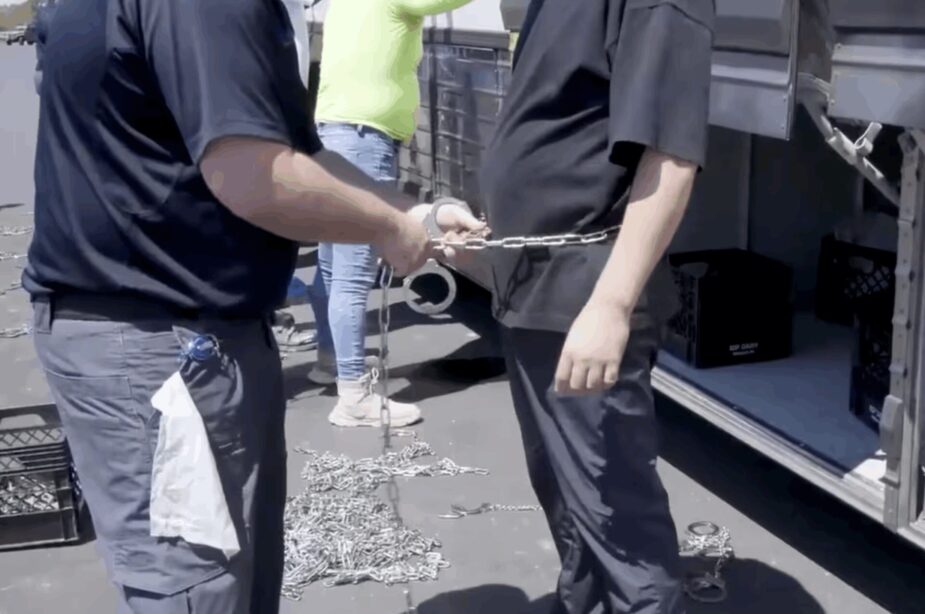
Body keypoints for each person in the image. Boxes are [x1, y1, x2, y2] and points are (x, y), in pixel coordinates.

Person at [25, 0, 480, 612]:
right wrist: (389, 227)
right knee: (200, 586)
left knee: (240, 572)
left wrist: (410, 212)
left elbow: (296, 154)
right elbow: (253, 172)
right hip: (157, 342)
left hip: (179, 328)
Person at [478, 0, 716, 612]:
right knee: (567, 502)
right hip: (533, 287)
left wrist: (610, 306)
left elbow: (670, 157)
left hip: (583, 289)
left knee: (619, 523)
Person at [306, 0, 474, 428]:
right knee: (352, 274)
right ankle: (353, 398)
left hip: (335, 134)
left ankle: (331, 361)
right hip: (364, 139)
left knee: (331, 266)